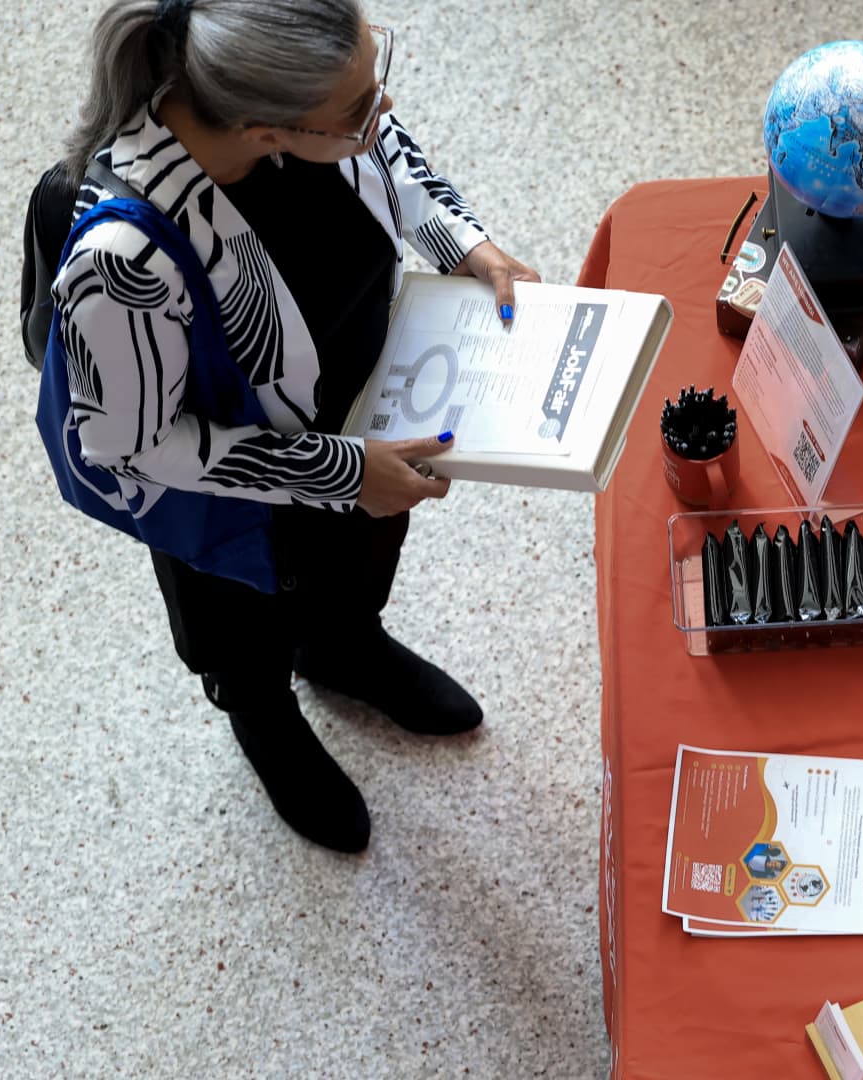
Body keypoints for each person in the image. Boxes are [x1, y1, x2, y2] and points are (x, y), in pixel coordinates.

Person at [54, 0, 540, 852]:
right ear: (264, 130)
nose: (381, 108)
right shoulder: (123, 264)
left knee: (357, 560)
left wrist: (465, 243)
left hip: (358, 410)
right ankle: (264, 717)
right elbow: (132, 444)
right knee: (242, 622)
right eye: (356, 106)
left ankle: (342, 646)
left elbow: (384, 149)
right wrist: (343, 474)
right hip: (231, 496)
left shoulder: (311, 112)